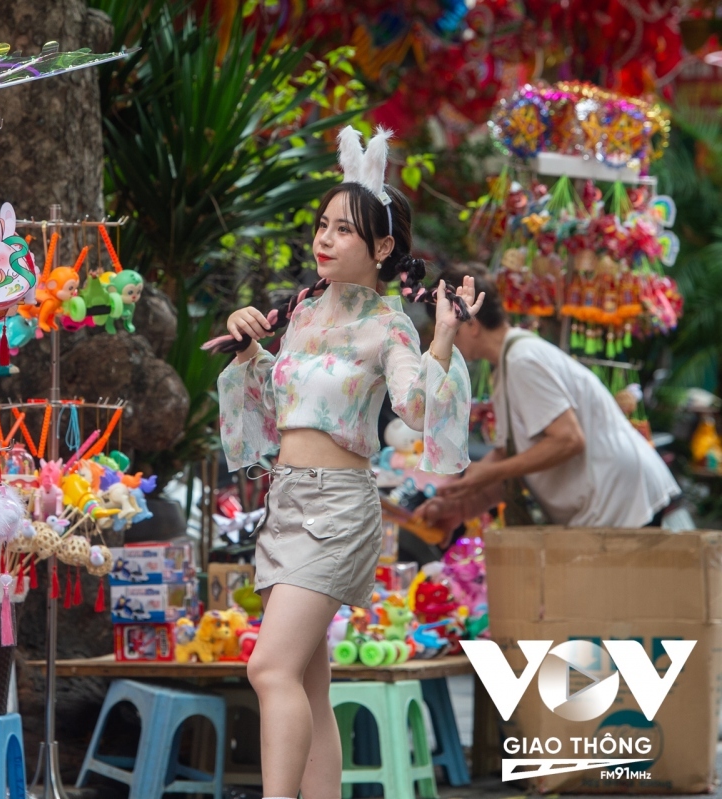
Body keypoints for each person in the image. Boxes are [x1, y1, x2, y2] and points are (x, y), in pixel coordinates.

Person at [215, 127, 482, 799]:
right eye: (323, 225)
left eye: (344, 230)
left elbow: (417, 408)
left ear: (384, 247)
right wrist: (251, 355)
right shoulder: (301, 310)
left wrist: (444, 335)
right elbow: (288, 410)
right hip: (288, 500)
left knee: (268, 669)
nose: (325, 239)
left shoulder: (390, 325)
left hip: (338, 507)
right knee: (307, 678)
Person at [417, 265, 679, 532]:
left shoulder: (522, 360)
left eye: (447, 329)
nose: (445, 341)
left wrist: (491, 472)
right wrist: (460, 504)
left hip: (623, 502)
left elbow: (568, 439)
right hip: (615, 502)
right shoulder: (508, 364)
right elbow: (509, 457)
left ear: (471, 324)